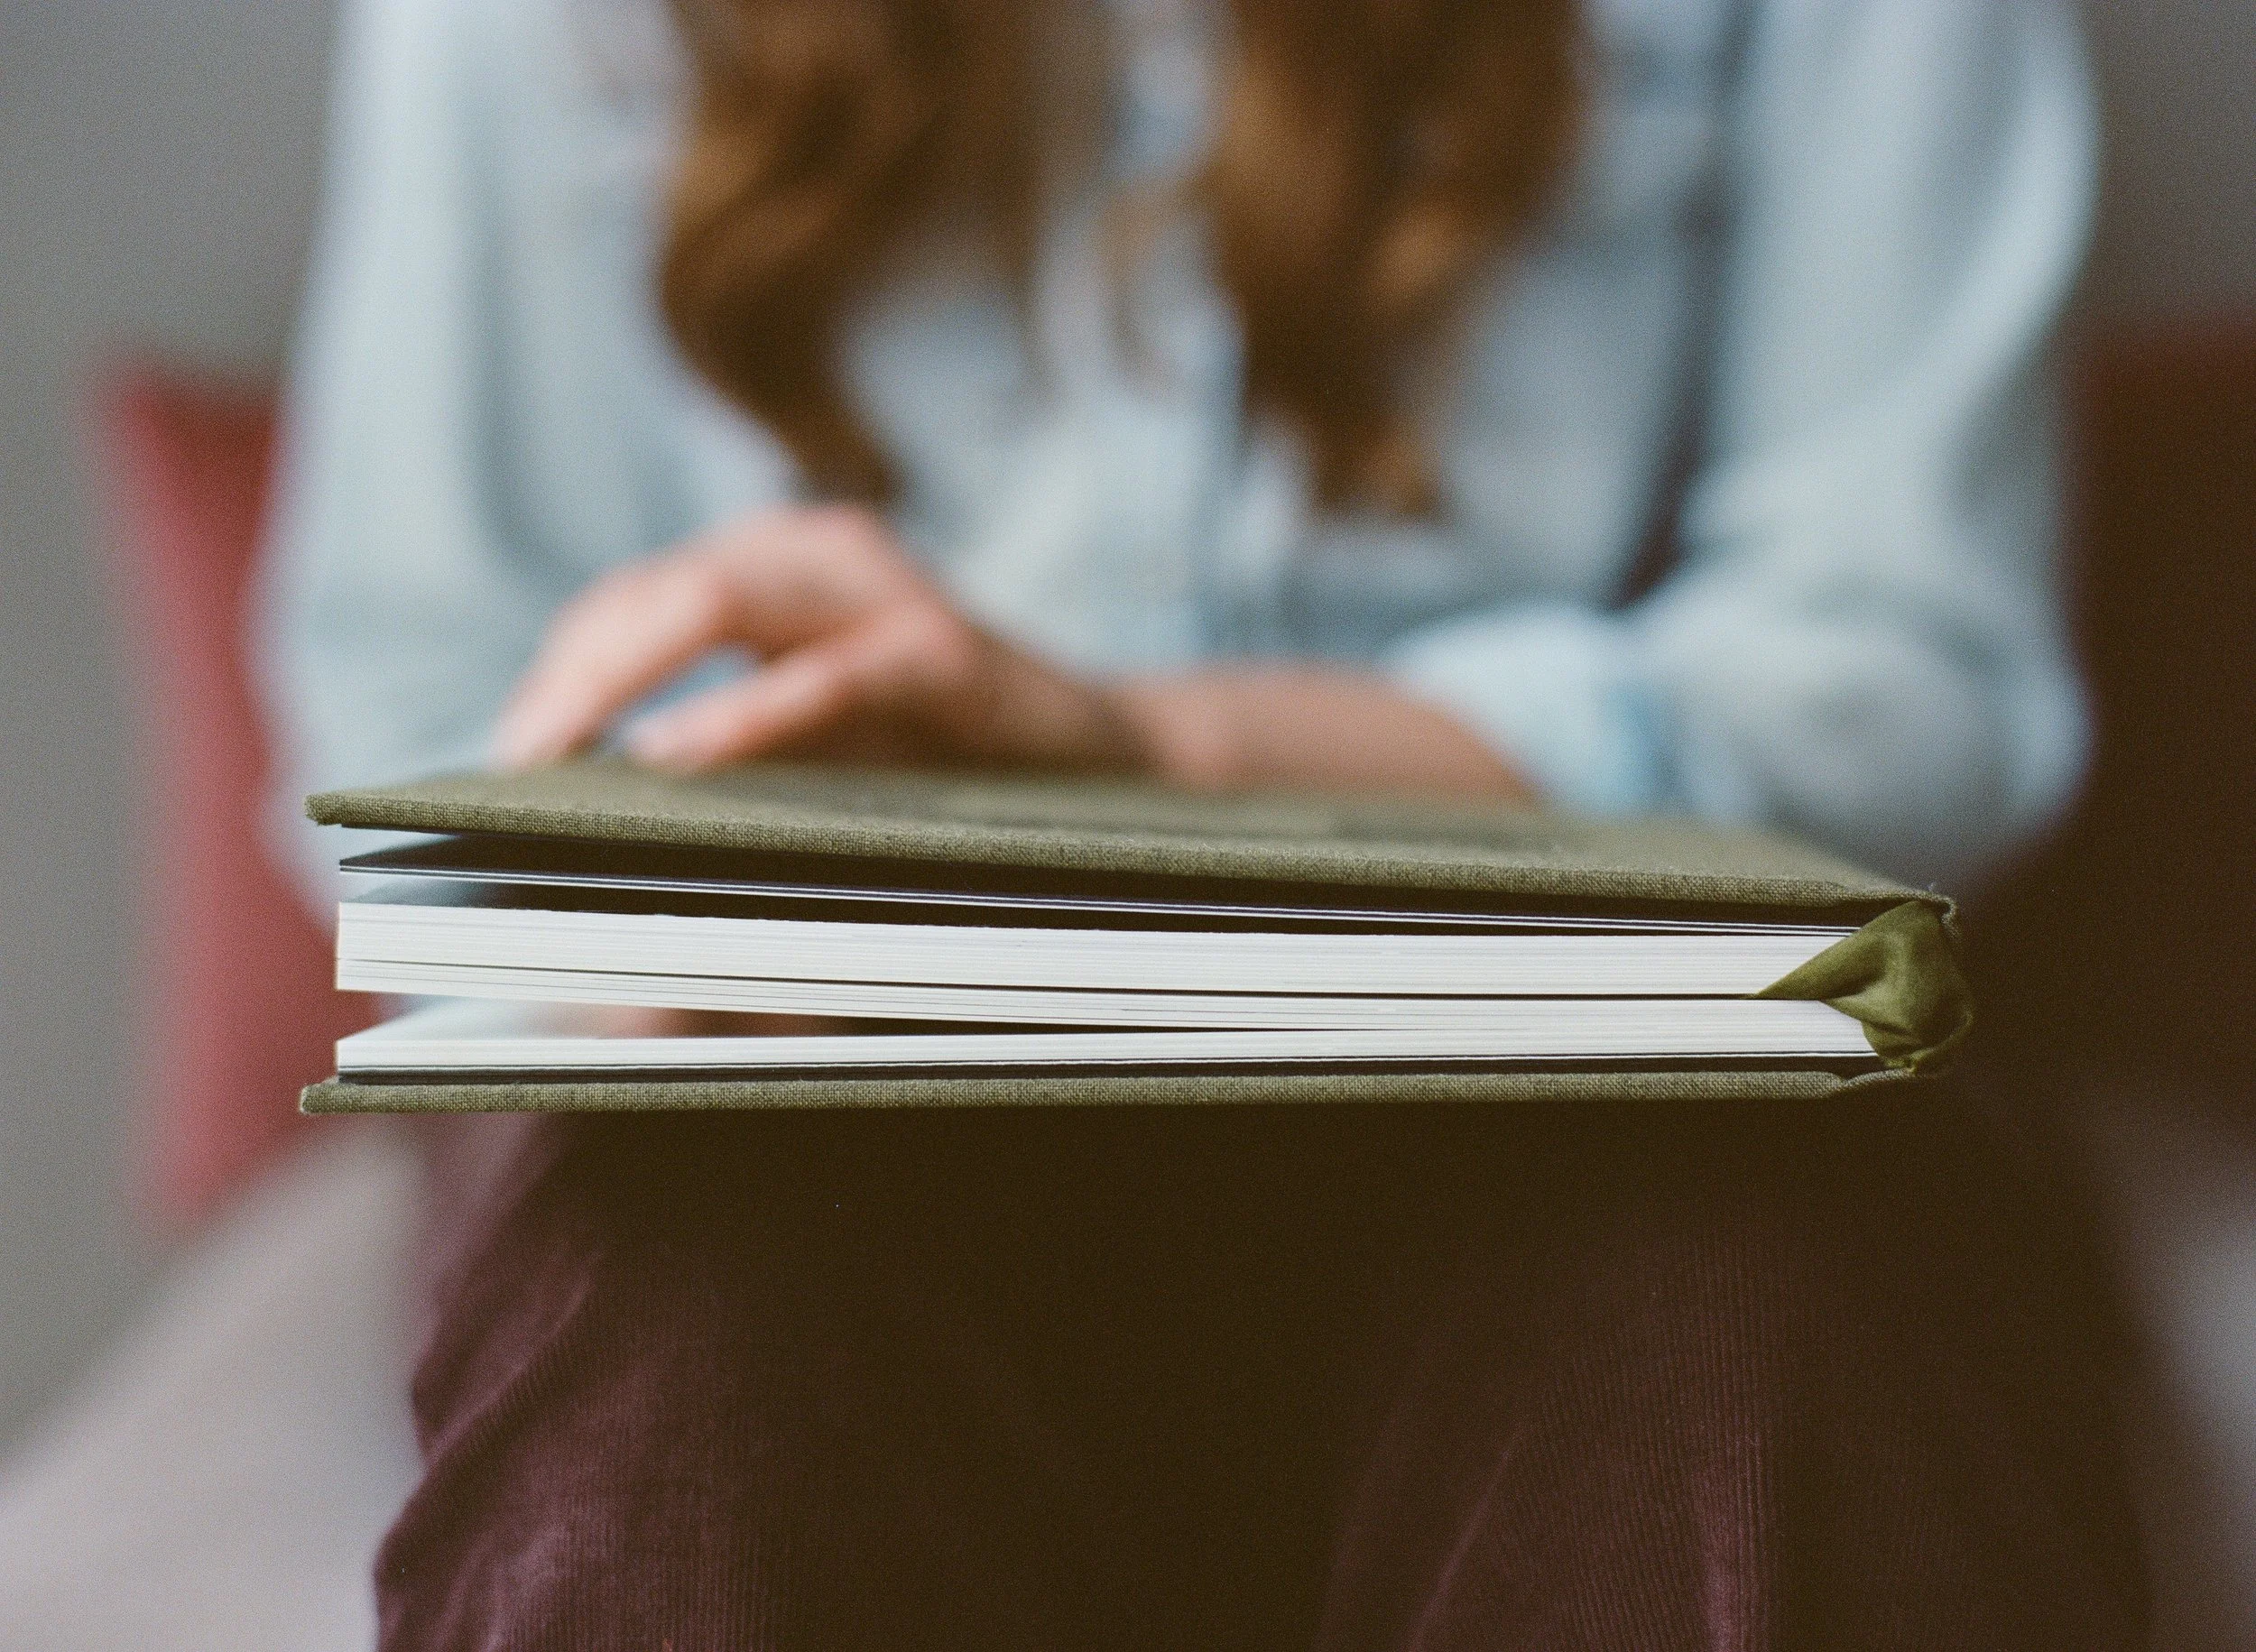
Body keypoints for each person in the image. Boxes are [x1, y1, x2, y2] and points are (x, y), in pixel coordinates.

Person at [262, 0, 2148, 1645]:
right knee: (680, 1362)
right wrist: (708, 898)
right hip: (827, 1105)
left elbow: (1905, 673)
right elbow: (425, 699)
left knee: (1738, 1328)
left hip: (1591, 1086)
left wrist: (1139, 752)